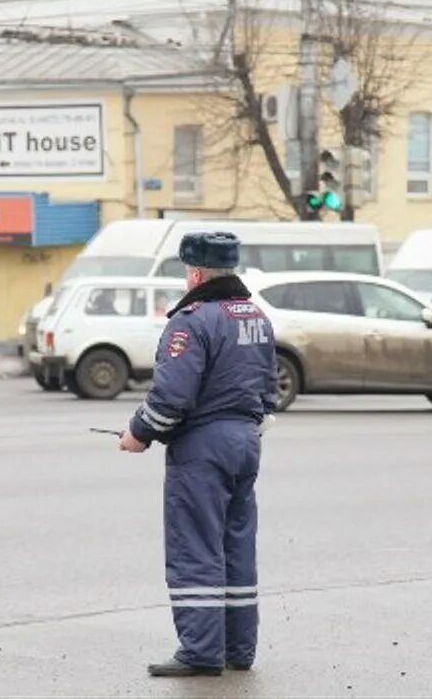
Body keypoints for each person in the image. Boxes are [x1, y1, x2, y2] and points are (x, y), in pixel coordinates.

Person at [117, 232, 278, 678]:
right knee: (236, 546)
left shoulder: (191, 320)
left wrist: (138, 433)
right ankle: (238, 649)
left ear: (195, 272)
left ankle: (201, 651)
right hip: (246, 440)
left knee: (196, 547)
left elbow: (172, 398)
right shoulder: (256, 317)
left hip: (203, 446)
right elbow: (269, 388)